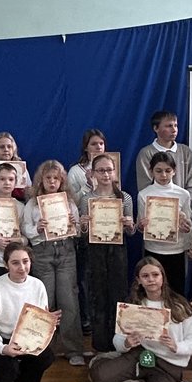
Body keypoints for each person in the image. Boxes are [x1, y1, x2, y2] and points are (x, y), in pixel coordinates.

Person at [89, 259, 192, 382]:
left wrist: (177, 346)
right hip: (140, 355)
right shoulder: (134, 304)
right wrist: (126, 343)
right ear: (139, 280)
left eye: (155, 275)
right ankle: (108, 360)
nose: (151, 280)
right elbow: (118, 338)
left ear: (162, 277)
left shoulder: (179, 305)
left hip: (167, 365)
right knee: (99, 376)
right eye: (145, 276)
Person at [21, 159, 85, 366]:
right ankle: (42, 348)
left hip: (66, 251)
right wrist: (37, 229)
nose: (52, 182)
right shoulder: (32, 204)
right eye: (48, 178)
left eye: (56, 178)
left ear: (62, 181)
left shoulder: (69, 203)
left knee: (69, 300)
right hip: (42, 252)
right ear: (41, 180)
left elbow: (77, 233)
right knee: (44, 300)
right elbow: (25, 229)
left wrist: (74, 225)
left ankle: (73, 349)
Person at [0, 240, 61, 382]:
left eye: (25, 261)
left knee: (47, 357)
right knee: (8, 371)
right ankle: (4, 380)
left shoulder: (38, 285)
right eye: (15, 263)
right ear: (6, 264)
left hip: (28, 339)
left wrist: (49, 324)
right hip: (2, 339)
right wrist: (2, 348)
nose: (22, 267)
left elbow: (39, 319)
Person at [79, 154, 135, 354]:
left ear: (114, 172)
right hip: (95, 252)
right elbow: (83, 234)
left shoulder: (124, 197)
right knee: (98, 295)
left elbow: (131, 232)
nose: (105, 174)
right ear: (93, 173)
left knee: (118, 295)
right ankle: (100, 345)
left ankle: (119, 343)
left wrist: (129, 224)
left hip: (117, 251)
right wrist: (83, 225)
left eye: (109, 170)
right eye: (101, 170)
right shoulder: (87, 199)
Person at [66, 128, 107, 336]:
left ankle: (105, 317)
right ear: (85, 147)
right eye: (93, 144)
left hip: (107, 230)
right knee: (84, 277)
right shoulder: (76, 171)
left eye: (101, 144)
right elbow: (71, 201)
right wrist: (88, 185)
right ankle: (86, 318)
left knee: (104, 276)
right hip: (85, 231)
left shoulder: (111, 166)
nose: (98, 147)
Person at [137, 151, 192, 295]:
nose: (163, 175)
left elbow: (188, 224)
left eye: (168, 171)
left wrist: (185, 227)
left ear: (174, 171)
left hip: (176, 251)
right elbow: (140, 226)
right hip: (153, 249)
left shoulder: (183, 194)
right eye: (159, 171)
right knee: (154, 290)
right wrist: (141, 226)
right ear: (151, 171)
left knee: (176, 291)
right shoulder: (144, 194)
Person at [134, 110, 192, 205]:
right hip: (157, 207)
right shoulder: (146, 153)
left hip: (181, 207)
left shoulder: (185, 151)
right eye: (169, 126)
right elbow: (145, 186)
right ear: (156, 128)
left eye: (175, 125)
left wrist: (185, 204)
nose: (174, 130)